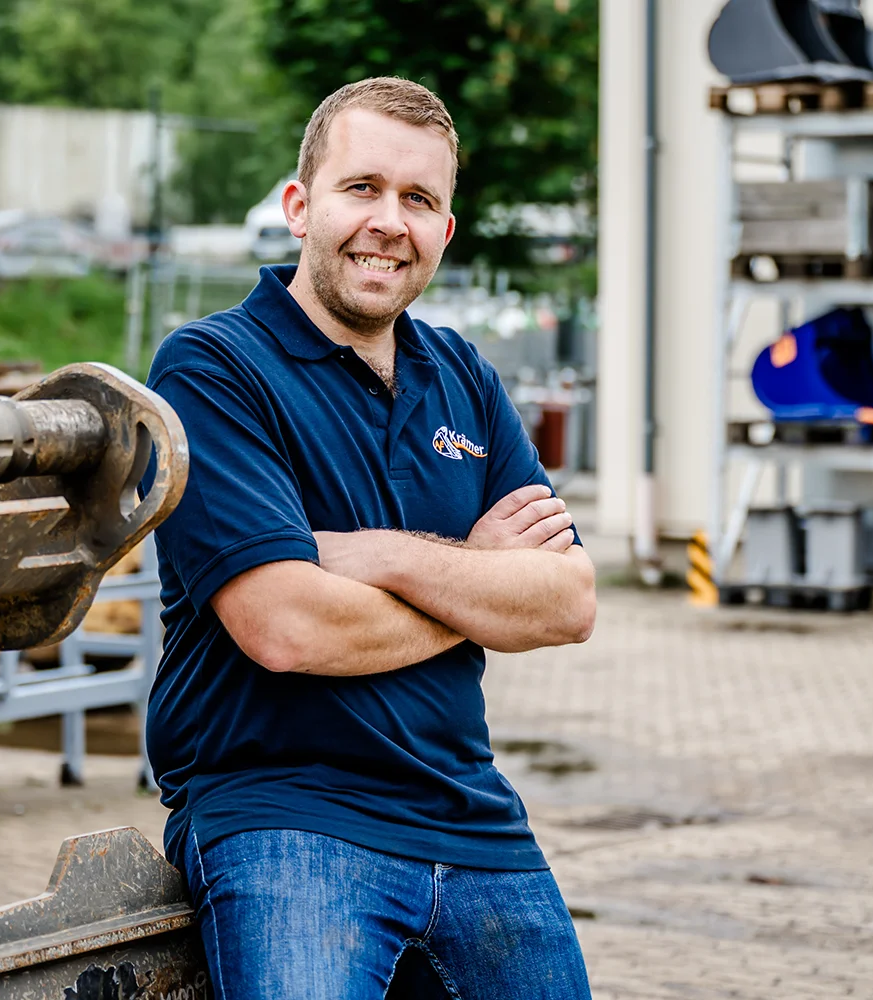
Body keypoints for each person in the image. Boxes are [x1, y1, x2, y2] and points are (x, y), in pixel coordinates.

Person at [142, 76, 597, 1000]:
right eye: (364, 188)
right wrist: (480, 583)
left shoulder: (462, 375)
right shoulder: (213, 368)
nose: (390, 221)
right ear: (300, 206)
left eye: (419, 200)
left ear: (444, 233)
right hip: (286, 819)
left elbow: (568, 601)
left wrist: (383, 555)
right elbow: (287, 627)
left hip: (474, 823)